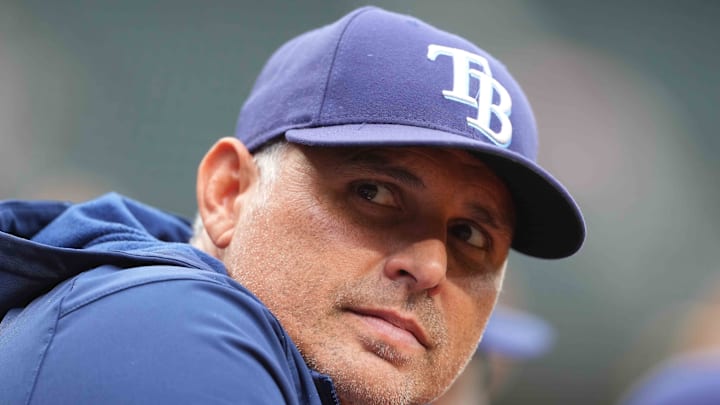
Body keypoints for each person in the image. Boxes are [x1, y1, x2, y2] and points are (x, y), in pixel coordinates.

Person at [0, 6, 585, 405]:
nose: (429, 266)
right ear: (228, 193)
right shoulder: (171, 329)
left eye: (470, 234)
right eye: (374, 193)